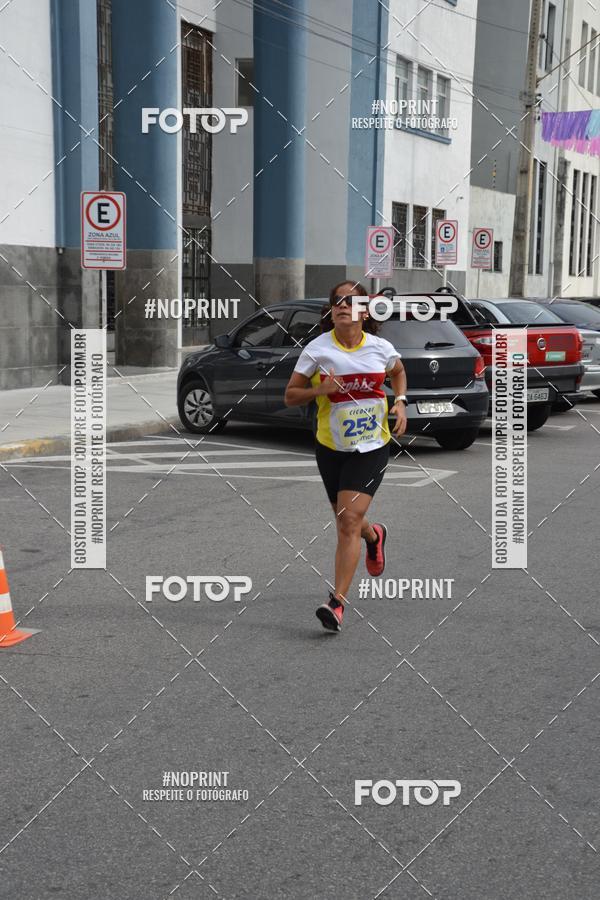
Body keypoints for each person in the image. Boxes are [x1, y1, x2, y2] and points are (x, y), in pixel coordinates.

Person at [284, 281, 407, 632]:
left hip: (372, 445)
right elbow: (290, 396)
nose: (342, 305)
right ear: (331, 310)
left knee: (349, 520)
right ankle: (374, 536)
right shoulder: (317, 350)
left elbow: (398, 372)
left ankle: (336, 603)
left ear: (364, 312)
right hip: (331, 446)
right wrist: (320, 389)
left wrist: (400, 402)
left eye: (351, 301)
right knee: (347, 520)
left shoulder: (380, 348)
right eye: (337, 300)